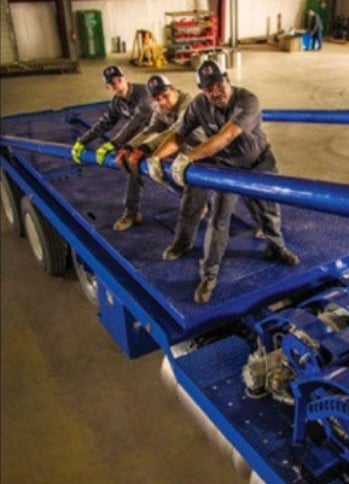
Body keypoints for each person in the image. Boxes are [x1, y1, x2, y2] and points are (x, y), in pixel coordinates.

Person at [147, 60, 299, 304]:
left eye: (219, 84)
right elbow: (178, 134)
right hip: (227, 169)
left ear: (227, 79)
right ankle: (209, 275)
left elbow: (226, 136)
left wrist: (188, 156)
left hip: (259, 165)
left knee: (268, 210)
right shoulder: (198, 105)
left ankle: (276, 246)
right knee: (218, 219)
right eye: (208, 89)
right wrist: (157, 156)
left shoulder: (247, 100)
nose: (215, 92)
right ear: (201, 90)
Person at [112, 74, 205, 231]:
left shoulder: (189, 103)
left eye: (165, 96)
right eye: (156, 98)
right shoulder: (160, 107)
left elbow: (177, 130)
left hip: (201, 150)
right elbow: (151, 129)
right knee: (134, 160)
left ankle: (195, 200)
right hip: (178, 149)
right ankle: (132, 212)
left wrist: (145, 147)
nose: (161, 101)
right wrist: (130, 146)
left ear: (174, 89)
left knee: (157, 154)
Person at [70, 65, 153, 229]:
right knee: (131, 166)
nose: (118, 85)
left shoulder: (144, 93)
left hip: (167, 134)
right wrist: (82, 141)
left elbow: (138, 120)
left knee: (168, 175)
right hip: (144, 139)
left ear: (125, 78)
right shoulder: (117, 102)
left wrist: (113, 143)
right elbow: (105, 123)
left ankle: (197, 203)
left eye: (119, 80)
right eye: (113, 84)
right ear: (108, 87)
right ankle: (131, 213)